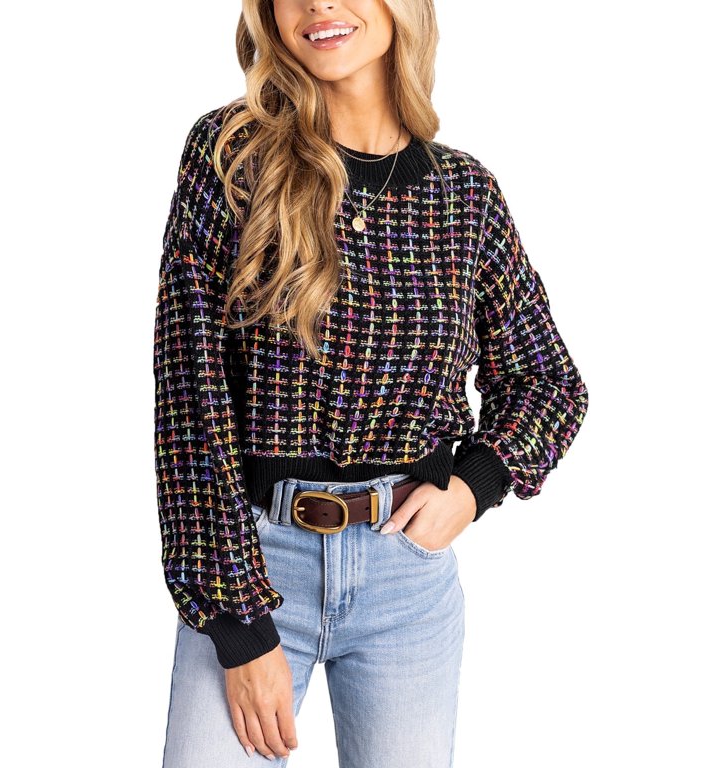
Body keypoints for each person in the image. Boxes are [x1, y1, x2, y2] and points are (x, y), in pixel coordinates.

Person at [153, 1, 589, 766]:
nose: (320, 4)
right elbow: (191, 400)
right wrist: (237, 624)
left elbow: (546, 380)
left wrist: (474, 486)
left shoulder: (464, 195)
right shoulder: (233, 157)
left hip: (406, 582)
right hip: (254, 563)